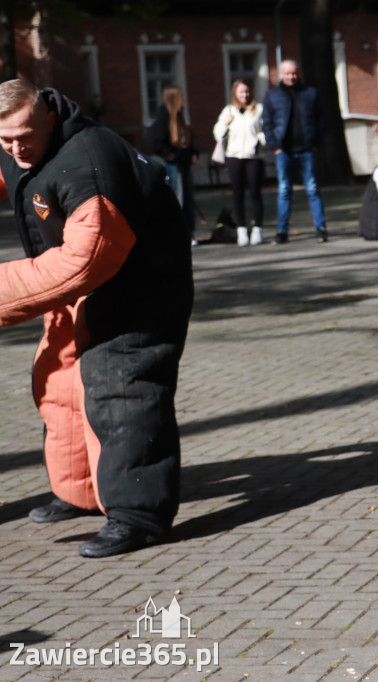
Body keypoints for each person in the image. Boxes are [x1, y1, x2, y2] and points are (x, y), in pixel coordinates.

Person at [0, 78, 193, 558]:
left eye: (24, 135)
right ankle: (79, 492)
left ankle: (138, 514)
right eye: (4, 140)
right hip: (74, 291)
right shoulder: (15, 144)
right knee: (60, 381)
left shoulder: (91, 160)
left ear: (48, 115)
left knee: (123, 389)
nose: (16, 149)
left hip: (138, 285)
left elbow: (86, 259)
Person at [262, 59, 328, 244]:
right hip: (284, 151)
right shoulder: (273, 95)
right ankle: (282, 231)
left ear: (299, 73)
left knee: (313, 189)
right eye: (288, 73)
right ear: (280, 75)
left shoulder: (310, 93)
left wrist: (315, 142)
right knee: (284, 190)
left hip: (307, 149)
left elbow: (321, 120)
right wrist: (275, 146)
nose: (291, 77)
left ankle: (321, 228)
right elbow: (267, 122)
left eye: (294, 73)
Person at [214, 78, 267, 246]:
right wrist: (224, 123)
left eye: (247, 91)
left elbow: (265, 131)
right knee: (238, 194)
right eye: (241, 92)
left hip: (253, 157)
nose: (244, 95)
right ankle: (242, 230)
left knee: (255, 193)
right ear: (235, 94)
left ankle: (257, 228)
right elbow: (218, 134)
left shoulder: (258, 110)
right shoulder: (229, 110)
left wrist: (261, 139)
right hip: (234, 156)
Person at [144, 85, 198, 243]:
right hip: (173, 166)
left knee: (187, 199)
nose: (184, 99)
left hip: (183, 164)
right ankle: (178, 234)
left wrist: (193, 153)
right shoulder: (163, 119)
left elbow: (186, 141)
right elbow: (153, 141)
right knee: (178, 199)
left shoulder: (179, 118)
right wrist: (169, 155)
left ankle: (188, 231)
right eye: (181, 96)